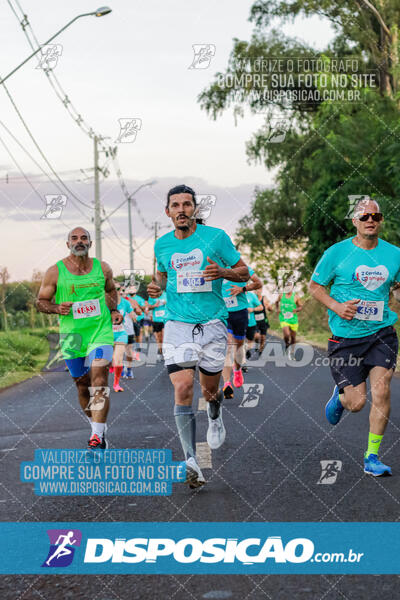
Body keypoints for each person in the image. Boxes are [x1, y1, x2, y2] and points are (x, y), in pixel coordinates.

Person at [147, 184, 249, 488]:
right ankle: (190, 460)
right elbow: (164, 277)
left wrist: (223, 273)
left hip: (213, 324)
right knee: (183, 388)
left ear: (195, 210)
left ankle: (215, 415)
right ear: (168, 212)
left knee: (209, 392)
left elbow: (244, 272)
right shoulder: (162, 245)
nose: (181, 210)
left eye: (187, 204)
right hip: (177, 324)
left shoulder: (216, 238)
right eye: (175, 205)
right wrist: (156, 287)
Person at [309, 197, 400, 476]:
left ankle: (372, 457)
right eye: (364, 217)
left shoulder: (394, 254)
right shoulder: (336, 253)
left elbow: (396, 287)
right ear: (354, 222)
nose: (370, 220)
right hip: (346, 337)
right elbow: (315, 287)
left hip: (381, 333)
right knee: (357, 403)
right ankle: (341, 396)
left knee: (382, 391)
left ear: (381, 220)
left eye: (376, 215)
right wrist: (337, 306)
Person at [36, 227, 122, 450]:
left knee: (99, 379)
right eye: (74, 238)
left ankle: (96, 436)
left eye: (84, 238)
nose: (79, 241)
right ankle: (97, 426)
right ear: (68, 244)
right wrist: (56, 308)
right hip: (72, 336)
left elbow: (112, 291)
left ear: (90, 244)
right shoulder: (55, 271)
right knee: (83, 386)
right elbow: (41, 302)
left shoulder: (102, 268)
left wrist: (113, 310)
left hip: (100, 332)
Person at [221, 270, 262, 399]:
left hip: (239, 313)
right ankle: (226, 383)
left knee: (238, 347)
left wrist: (243, 288)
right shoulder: (214, 269)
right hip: (222, 313)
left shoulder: (242, 268)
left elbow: (258, 283)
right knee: (227, 347)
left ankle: (237, 369)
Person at [111, 283, 136, 392]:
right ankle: (112, 365)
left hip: (121, 333)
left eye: (117, 288)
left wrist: (135, 317)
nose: (115, 291)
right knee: (109, 359)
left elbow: (133, 314)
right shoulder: (103, 303)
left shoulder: (125, 302)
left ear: (120, 289)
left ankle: (116, 384)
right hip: (107, 335)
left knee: (118, 359)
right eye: (112, 288)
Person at [276, 280, 303, 359]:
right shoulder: (281, 295)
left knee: (293, 337)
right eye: (287, 286)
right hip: (283, 318)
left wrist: (297, 310)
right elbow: (276, 302)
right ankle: (287, 345)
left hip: (293, 319)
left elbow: (301, 306)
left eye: (290, 286)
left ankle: (292, 352)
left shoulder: (296, 297)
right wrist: (277, 309)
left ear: (292, 288)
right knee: (287, 334)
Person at [147, 290, 167, 355]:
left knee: (164, 335)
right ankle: (160, 349)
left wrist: (167, 303)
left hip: (165, 319)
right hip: (156, 319)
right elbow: (148, 307)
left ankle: (164, 350)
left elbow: (172, 303)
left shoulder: (166, 294)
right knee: (158, 337)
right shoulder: (152, 296)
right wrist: (154, 305)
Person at [254, 289, 273, 356]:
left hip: (263, 321)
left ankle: (261, 350)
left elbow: (270, 309)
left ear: (261, 290)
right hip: (254, 321)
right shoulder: (252, 298)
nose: (257, 291)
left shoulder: (264, 298)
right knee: (256, 336)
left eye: (258, 289)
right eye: (255, 290)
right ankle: (256, 343)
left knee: (263, 337)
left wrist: (269, 307)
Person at [245, 291, 263, 361]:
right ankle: (243, 360)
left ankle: (247, 350)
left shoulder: (251, 295)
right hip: (239, 322)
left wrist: (252, 309)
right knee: (240, 341)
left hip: (251, 322)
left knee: (250, 340)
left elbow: (261, 307)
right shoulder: (235, 294)